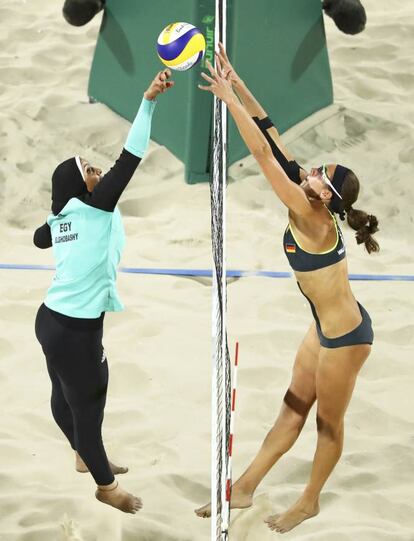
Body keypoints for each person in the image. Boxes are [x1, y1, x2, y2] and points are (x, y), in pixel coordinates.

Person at [195, 45, 379, 533]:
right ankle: (244, 488)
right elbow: (272, 135)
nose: (314, 169)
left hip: (347, 339)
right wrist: (238, 84)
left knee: (326, 425)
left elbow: (259, 154)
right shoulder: (313, 197)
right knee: (292, 407)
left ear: (325, 195)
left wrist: (225, 103)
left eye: (322, 175)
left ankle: (309, 502)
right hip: (323, 327)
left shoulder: (310, 214)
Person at [34, 69, 174, 514]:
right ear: (81, 187)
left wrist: (59, 219)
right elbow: (130, 158)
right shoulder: (94, 209)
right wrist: (148, 101)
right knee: (89, 403)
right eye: (90, 170)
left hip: (52, 321)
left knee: (68, 393)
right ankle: (106, 485)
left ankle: (81, 454)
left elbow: (41, 238)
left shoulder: (62, 219)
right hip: (73, 330)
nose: (98, 170)